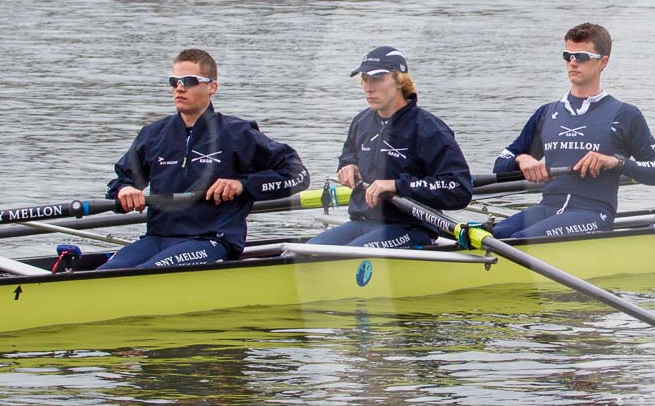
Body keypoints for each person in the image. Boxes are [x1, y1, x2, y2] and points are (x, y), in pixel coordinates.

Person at [103, 48, 308, 269]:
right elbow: (120, 182)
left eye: (189, 81)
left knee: (145, 273)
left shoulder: (237, 134)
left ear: (212, 87)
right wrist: (125, 191)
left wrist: (242, 185)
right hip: (157, 239)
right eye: (174, 81)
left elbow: (298, 174)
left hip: (211, 240)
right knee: (105, 272)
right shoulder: (153, 135)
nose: (179, 88)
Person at [487, 23, 655, 240]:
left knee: (521, 240)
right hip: (548, 208)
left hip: (593, 214)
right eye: (568, 56)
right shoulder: (546, 113)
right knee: (492, 234)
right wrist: (522, 159)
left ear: (603, 62)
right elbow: (501, 163)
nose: (573, 63)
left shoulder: (625, 115)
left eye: (581, 57)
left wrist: (616, 162)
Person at [308, 45, 472, 249]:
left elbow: (458, 189)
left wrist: (396, 185)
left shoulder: (430, 130)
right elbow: (348, 155)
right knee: (306, 253)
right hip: (362, 222)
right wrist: (348, 166)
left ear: (400, 81)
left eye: (377, 79)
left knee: (344, 257)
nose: (368, 87)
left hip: (410, 227)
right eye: (365, 79)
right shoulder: (361, 122)